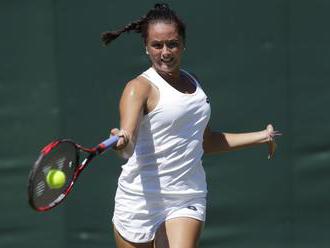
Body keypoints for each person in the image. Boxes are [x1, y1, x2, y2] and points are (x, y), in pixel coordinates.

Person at [101, 3, 281, 248]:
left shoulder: (194, 85)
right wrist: (122, 141)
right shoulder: (138, 88)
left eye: (172, 44)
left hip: (186, 195)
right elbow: (127, 144)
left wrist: (262, 136)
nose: (165, 52)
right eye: (157, 45)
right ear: (146, 48)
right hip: (138, 201)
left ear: (183, 44)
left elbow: (205, 141)